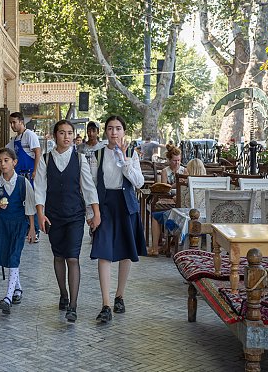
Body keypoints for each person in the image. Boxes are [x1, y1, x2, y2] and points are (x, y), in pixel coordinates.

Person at [35, 120, 100, 322]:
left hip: (74, 215)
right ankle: (63, 293)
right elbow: (39, 188)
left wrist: (95, 213)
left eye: (70, 133)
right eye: (62, 133)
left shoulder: (80, 159)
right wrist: (40, 214)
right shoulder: (46, 159)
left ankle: (73, 305)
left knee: (73, 258)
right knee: (58, 256)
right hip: (53, 215)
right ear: (55, 136)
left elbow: (89, 188)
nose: (66, 137)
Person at [90, 115, 146, 323]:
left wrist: (125, 161)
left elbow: (139, 183)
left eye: (118, 128)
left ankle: (119, 296)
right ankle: (105, 304)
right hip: (105, 206)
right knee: (103, 252)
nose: (114, 132)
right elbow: (92, 185)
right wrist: (92, 213)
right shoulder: (98, 154)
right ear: (105, 131)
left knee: (125, 252)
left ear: (124, 131)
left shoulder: (131, 153)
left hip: (125, 206)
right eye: (110, 128)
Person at [0, 148, 36, 315]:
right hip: (3, 224)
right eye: (0, 161)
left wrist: (32, 229)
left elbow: (29, 206)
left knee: (14, 255)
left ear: (14, 162)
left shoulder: (22, 182)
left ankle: (7, 297)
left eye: (6, 160)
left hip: (19, 223)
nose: (2, 164)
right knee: (8, 255)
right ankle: (18, 289)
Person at [0, 112, 42, 241]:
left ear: (21, 122)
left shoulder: (29, 135)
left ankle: (35, 230)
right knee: (21, 201)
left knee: (32, 200)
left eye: (14, 122)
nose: (12, 125)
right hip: (20, 174)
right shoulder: (14, 140)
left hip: (30, 173)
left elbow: (38, 152)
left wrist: (36, 171)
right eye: (10, 123)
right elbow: (2, 151)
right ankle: (25, 228)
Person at [149, 144, 186, 256]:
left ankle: (168, 244)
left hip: (180, 201)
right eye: (175, 161)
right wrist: (177, 183)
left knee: (158, 215)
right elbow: (165, 188)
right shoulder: (165, 171)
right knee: (156, 214)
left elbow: (185, 189)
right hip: (168, 199)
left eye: (179, 160)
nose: (177, 163)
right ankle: (156, 247)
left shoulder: (184, 170)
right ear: (169, 160)